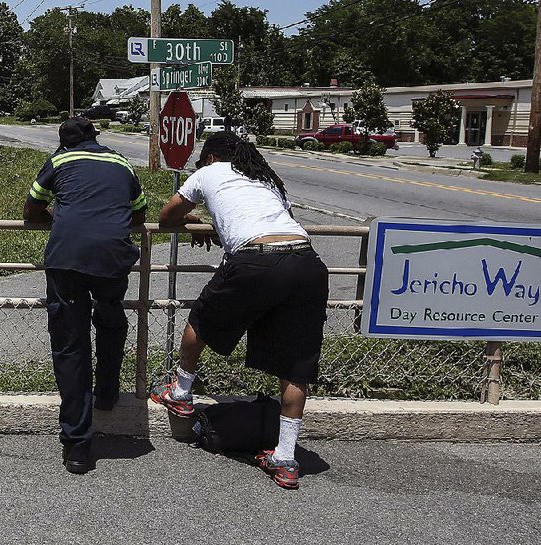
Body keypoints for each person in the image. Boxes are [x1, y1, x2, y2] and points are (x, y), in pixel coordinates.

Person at [151, 131, 329, 489]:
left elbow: (167, 216)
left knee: (201, 319)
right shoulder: (265, 179)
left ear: (211, 158)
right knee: (297, 363)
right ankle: (286, 458)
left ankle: (181, 392)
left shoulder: (208, 172)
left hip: (254, 260)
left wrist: (197, 223)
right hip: (307, 262)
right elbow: (272, 220)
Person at [23, 117, 147, 474]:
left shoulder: (59, 161)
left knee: (70, 345)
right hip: (112, 257)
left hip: (68, 258)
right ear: (96, 137)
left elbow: (31, 209)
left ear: (64, 143)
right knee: (110, 319)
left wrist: (63, 215)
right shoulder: (121, 162)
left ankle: (78, 445)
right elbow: (139, 213)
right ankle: (107, 392)